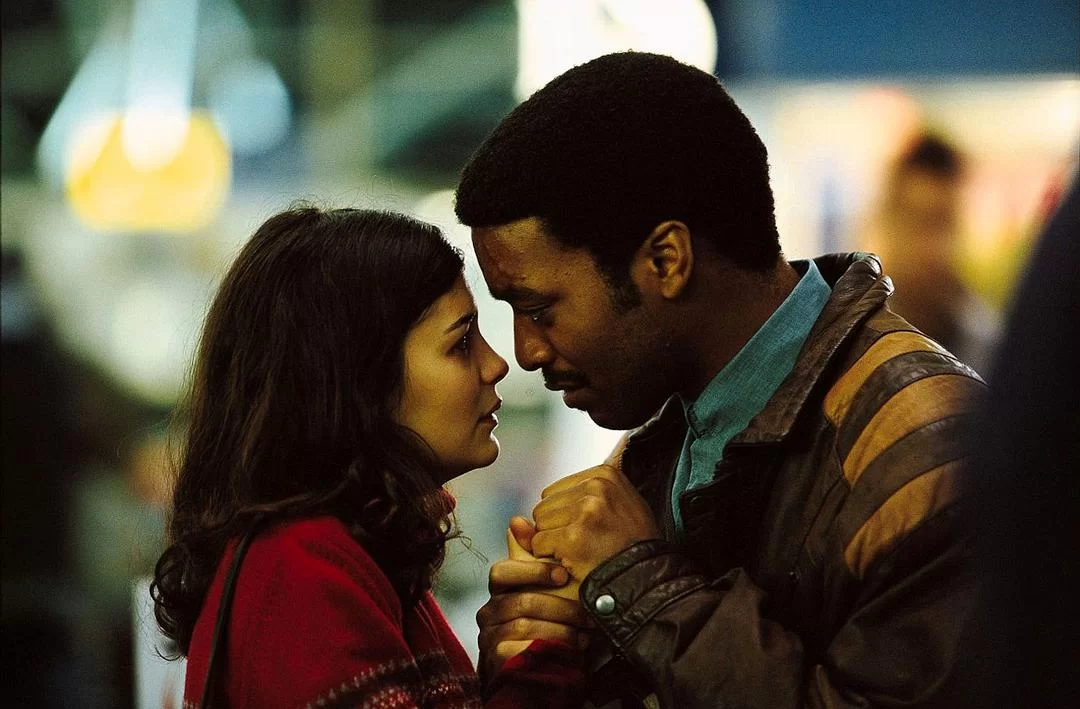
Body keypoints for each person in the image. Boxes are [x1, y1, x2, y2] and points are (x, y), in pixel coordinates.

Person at [454, 52, 988, 708]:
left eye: (539, 309)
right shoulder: (663, 448)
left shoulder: (929, 454)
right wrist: (543, 658)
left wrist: (642, 586)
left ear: (666, 260)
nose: (525, 352)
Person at [150, 207, 587, 707]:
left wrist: (507, 659)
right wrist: (541, 658)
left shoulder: (351, 555)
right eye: (462, 342)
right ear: (361, 381)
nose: (497, 364)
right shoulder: (301, 569)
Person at [866, 132, 999, 376]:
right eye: (919, 223)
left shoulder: (985, 341)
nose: (932, 247)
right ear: (888, 222)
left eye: (944, 224)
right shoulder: (852, 342)